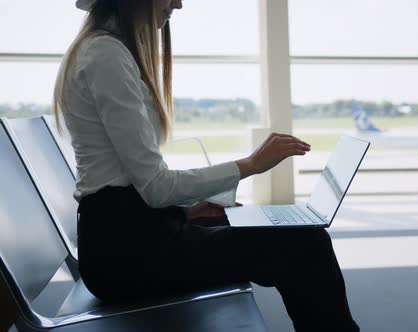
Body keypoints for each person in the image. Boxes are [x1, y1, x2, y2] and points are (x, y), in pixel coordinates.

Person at [54, 0, 359, 330]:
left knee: (287, 235)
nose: (179, 4)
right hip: (127, 257)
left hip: (130, 237)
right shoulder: (106, 55)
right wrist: (251, 164)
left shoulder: (104, 50)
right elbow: (156, 188)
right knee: (305, 244)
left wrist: (187, 210)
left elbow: (125, 184)